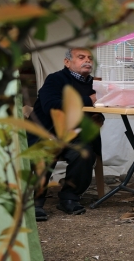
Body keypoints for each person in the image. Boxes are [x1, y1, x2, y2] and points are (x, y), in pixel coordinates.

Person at [28, 47, 104, 220]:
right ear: (67, 62)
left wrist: (98, 119)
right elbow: (51, 105)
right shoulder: (55, 79)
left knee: (85, 153)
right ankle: (36, 202)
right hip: (47, 133)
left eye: (90, 58)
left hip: (75, 135)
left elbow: (98, 112)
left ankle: (69, 197)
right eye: (81, 57)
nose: (87, 61)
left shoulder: (95, 84)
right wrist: (88, 100)